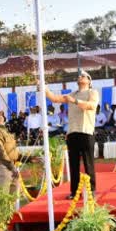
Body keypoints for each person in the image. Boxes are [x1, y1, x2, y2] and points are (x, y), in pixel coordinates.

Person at [45, 71, 100, 199]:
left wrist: (74, 101)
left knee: (88, 163)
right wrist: (45, 89)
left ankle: (92, 190)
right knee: (73, 164)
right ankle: (74, 191)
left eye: (83, 76)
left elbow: (91, 106)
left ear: (88, 80)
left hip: (86, 131)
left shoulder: (92, 92)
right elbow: (55, 99)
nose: (79, 77)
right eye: (79, 76)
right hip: (72, 132)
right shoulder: (72, 94)